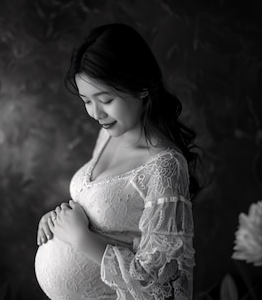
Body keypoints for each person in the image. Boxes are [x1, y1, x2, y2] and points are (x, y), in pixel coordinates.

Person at [34, 23, 200, 300]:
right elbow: (104, 211)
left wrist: (80, 239)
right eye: (86, 101)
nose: (96, 113)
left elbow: (162, 285)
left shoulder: (164, 167)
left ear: (142, 88)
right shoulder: (108, 134)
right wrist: (57, 221)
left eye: (106, 100)